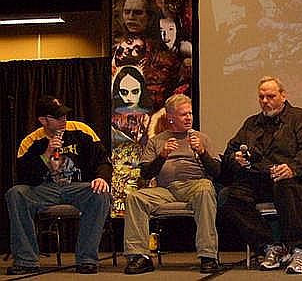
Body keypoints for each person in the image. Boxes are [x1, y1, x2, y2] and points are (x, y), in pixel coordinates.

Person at [219, 76, 302, 274]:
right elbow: (229, 153)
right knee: (230, 196)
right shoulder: (251, 123)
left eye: (271, 96)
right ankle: (269, 246)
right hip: (258, 179)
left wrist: (292, 168)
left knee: (285, 186)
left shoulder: (300, 118)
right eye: (261, 97)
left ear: (283, 96)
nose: (265, 101)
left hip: (295, 181)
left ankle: (300, 250)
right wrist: (236, 158)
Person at [5, 95, 112, 275]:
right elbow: (26, 178)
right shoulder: (31, 141)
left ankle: (86, 259)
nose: (64, 119)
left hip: (76, 186)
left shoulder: (81, 130)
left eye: (64, 115)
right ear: (43, 120)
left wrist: (101, 177)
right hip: (45, 189)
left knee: (99, 194)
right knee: (16, 193)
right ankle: (26, 261)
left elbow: (104, 161)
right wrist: (46, 154)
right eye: (57, 117)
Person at [122, 94, 221, 274]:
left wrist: (203, 152)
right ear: (170, 117)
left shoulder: (201, 138)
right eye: (184, 114)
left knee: (206, 189)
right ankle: (139, 256)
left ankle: (208, 256)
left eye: (190, 113)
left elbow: (217, 172)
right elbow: (145, 173)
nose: (189, 117)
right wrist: (162, 155)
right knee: (135, 197)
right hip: (165, 190)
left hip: (195, 186)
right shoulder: (157, 141)